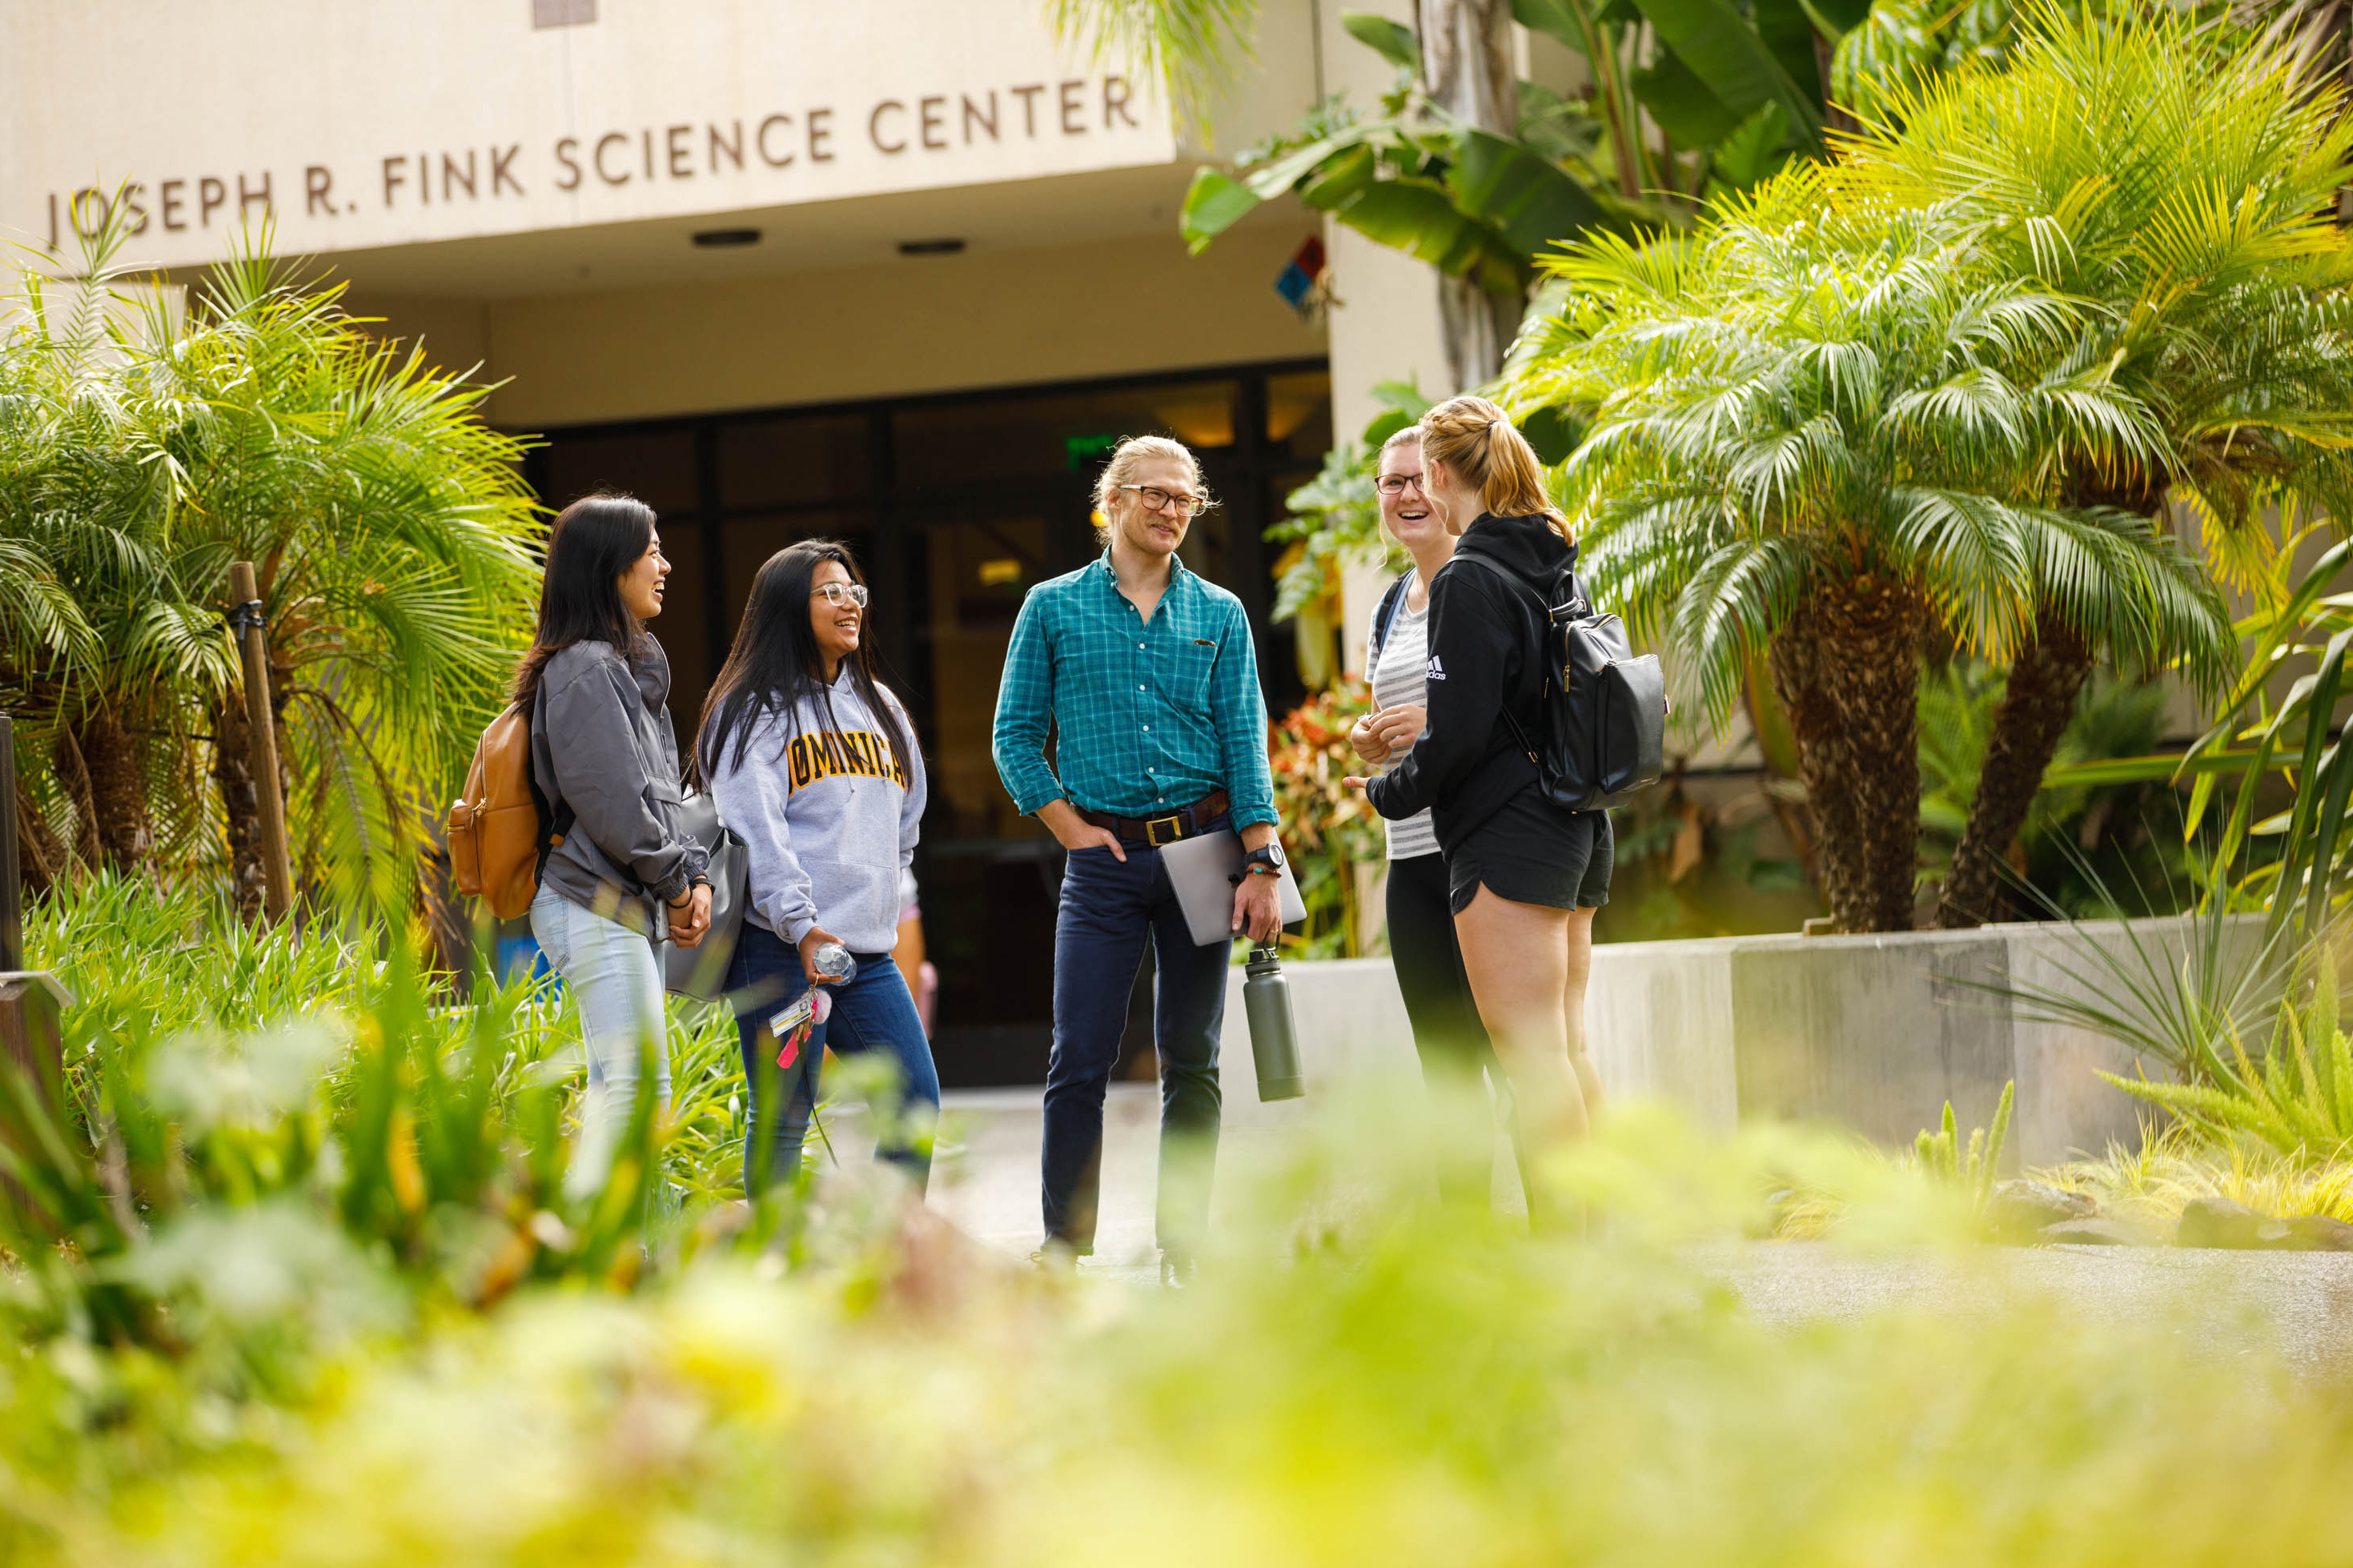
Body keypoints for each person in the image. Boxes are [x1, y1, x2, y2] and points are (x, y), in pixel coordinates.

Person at [992, 434, 1286, 1286]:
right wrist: (1066, 828)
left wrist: (1263, 862)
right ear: (1111, 500)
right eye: (1152, 493)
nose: (1169, 509)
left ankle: (1183, 1247)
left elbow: (1244, 742)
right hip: (1105, 861)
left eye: (1183, 497)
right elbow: (1013, 735)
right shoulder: (1050, 608)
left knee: (1191, 1057)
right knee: (1078, 1054)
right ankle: (1062, 1245)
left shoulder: (1219, 614)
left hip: (1204, 849)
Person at [1346, 397, 1609, 1166]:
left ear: (1435, 473)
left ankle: (1563, 1260)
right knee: (1564, 1047)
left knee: (1530, 1059)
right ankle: (1607, 1247)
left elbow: (1457, 733)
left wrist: (1385, 794)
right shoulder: (1546, 551)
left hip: (1506, 837)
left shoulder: (1467, 575)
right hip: (1573, 821)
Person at [699, 539, 939, 1193]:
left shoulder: (882, 707)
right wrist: (803, 925)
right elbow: (756, 831)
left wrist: (872, 897)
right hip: (783, 950)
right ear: (786, 609)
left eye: (853, 591)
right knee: (784, 1117)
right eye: (829, 592)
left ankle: (890, 1261)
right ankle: (773, 1271)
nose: (849, 604)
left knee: (914, 1105)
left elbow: (905, 819)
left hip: (865, 954)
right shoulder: (751, 711)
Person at [517, 493, 712, 1200]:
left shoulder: (611, 667)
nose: (665, 564)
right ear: (610, 566)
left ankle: (618, 1255)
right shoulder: (588, 670)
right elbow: (619, 809)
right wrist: (679, 884)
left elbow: (654, 796)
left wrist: (690, 876)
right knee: (634, 1087)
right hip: (593, 897)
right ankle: (598, 1255)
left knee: (621, 1086)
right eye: (651, 549)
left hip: (615, 897)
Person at [1347, 426, 1515, 1205]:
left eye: (1418, 478)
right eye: (1391, 483)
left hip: (1477, 852)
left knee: (1509, 1056)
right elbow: (1402, 721)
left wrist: (1429, 723)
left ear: (1446, 484)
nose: (1407, 495)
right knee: (1444, 1064)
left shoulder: (1474, 582)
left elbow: (1482, 713)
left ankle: (1563, 1237)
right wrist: (1367, 736)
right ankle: (1466, 1241)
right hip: (1408, 860)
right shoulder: (1391, 604)